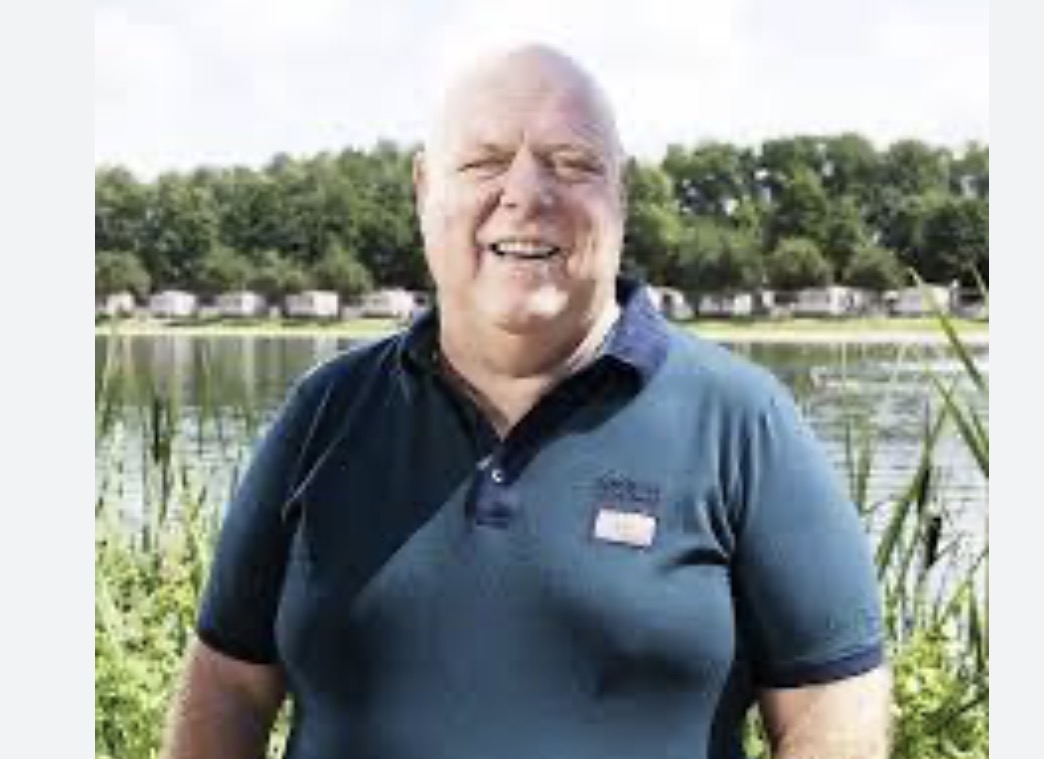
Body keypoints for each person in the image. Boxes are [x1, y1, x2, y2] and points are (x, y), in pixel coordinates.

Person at [162, 44, 891, 759]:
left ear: (621, 194)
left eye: (570, 162)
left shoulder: (743, 423)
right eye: (483, 162)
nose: (525, 194)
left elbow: (833, 706)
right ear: (423, 189)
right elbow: (229, 684)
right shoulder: (325, 412)